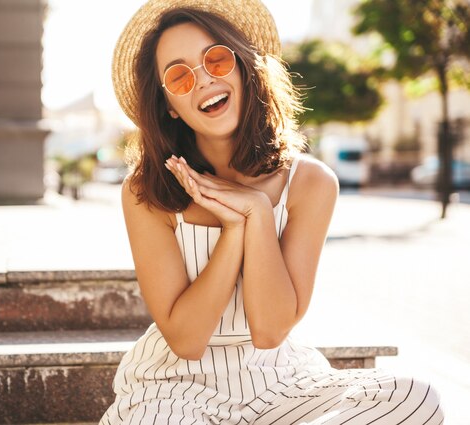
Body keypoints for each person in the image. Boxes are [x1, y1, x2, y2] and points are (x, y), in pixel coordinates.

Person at [101, 0, 444, 423]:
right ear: (169, 105)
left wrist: (259, 212)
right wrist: (233, 228)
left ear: (244, 67)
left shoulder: (310, 184)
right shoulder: (146, 190)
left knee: (414, 396)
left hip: (282, 383)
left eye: (217, 58)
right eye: (179, 75)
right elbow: (187, 340)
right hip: (174, 389)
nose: (204, 80)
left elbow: (269, 331)